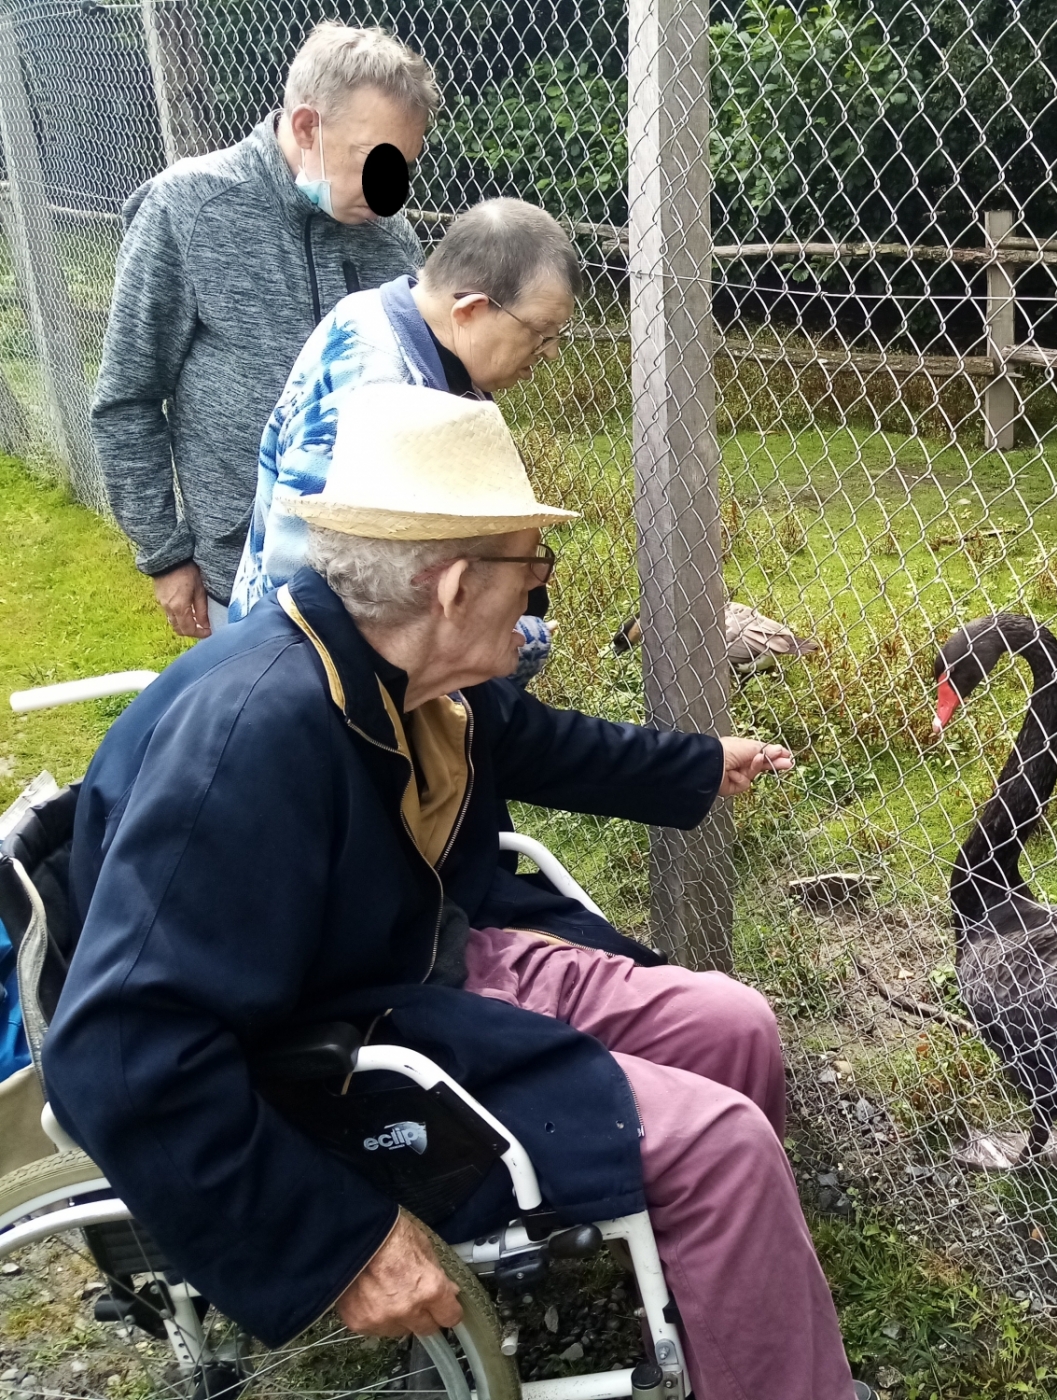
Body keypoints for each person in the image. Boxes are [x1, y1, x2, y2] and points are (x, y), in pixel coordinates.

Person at [44, 384, 865, 1400]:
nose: (540, 591)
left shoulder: (403, 669)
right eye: (534, 565)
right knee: (724, 1146)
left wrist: (702, 763)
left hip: (424, 955)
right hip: (343, 1034)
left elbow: (547, 743)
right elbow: (120, 1048)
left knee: (730, 1021)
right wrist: (337, 1240)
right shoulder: (254, 742)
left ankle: (722, 1306)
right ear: (452, 583)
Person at [91, 21, 439, 640]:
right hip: (238, 577)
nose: (393, 190)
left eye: (404, 165)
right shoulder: (188, 211)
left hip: (369, 582)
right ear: (308, 127)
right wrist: (166, 554)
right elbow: (128, 399)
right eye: (376, 161)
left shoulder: (393, 244)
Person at [228, 198, 577, 625]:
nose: (552, 352)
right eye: (541, 331)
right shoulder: (375, 388)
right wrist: (512, 646)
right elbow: (305, 568)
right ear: (469, 311)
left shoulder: (384, 314)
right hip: (314, 660)